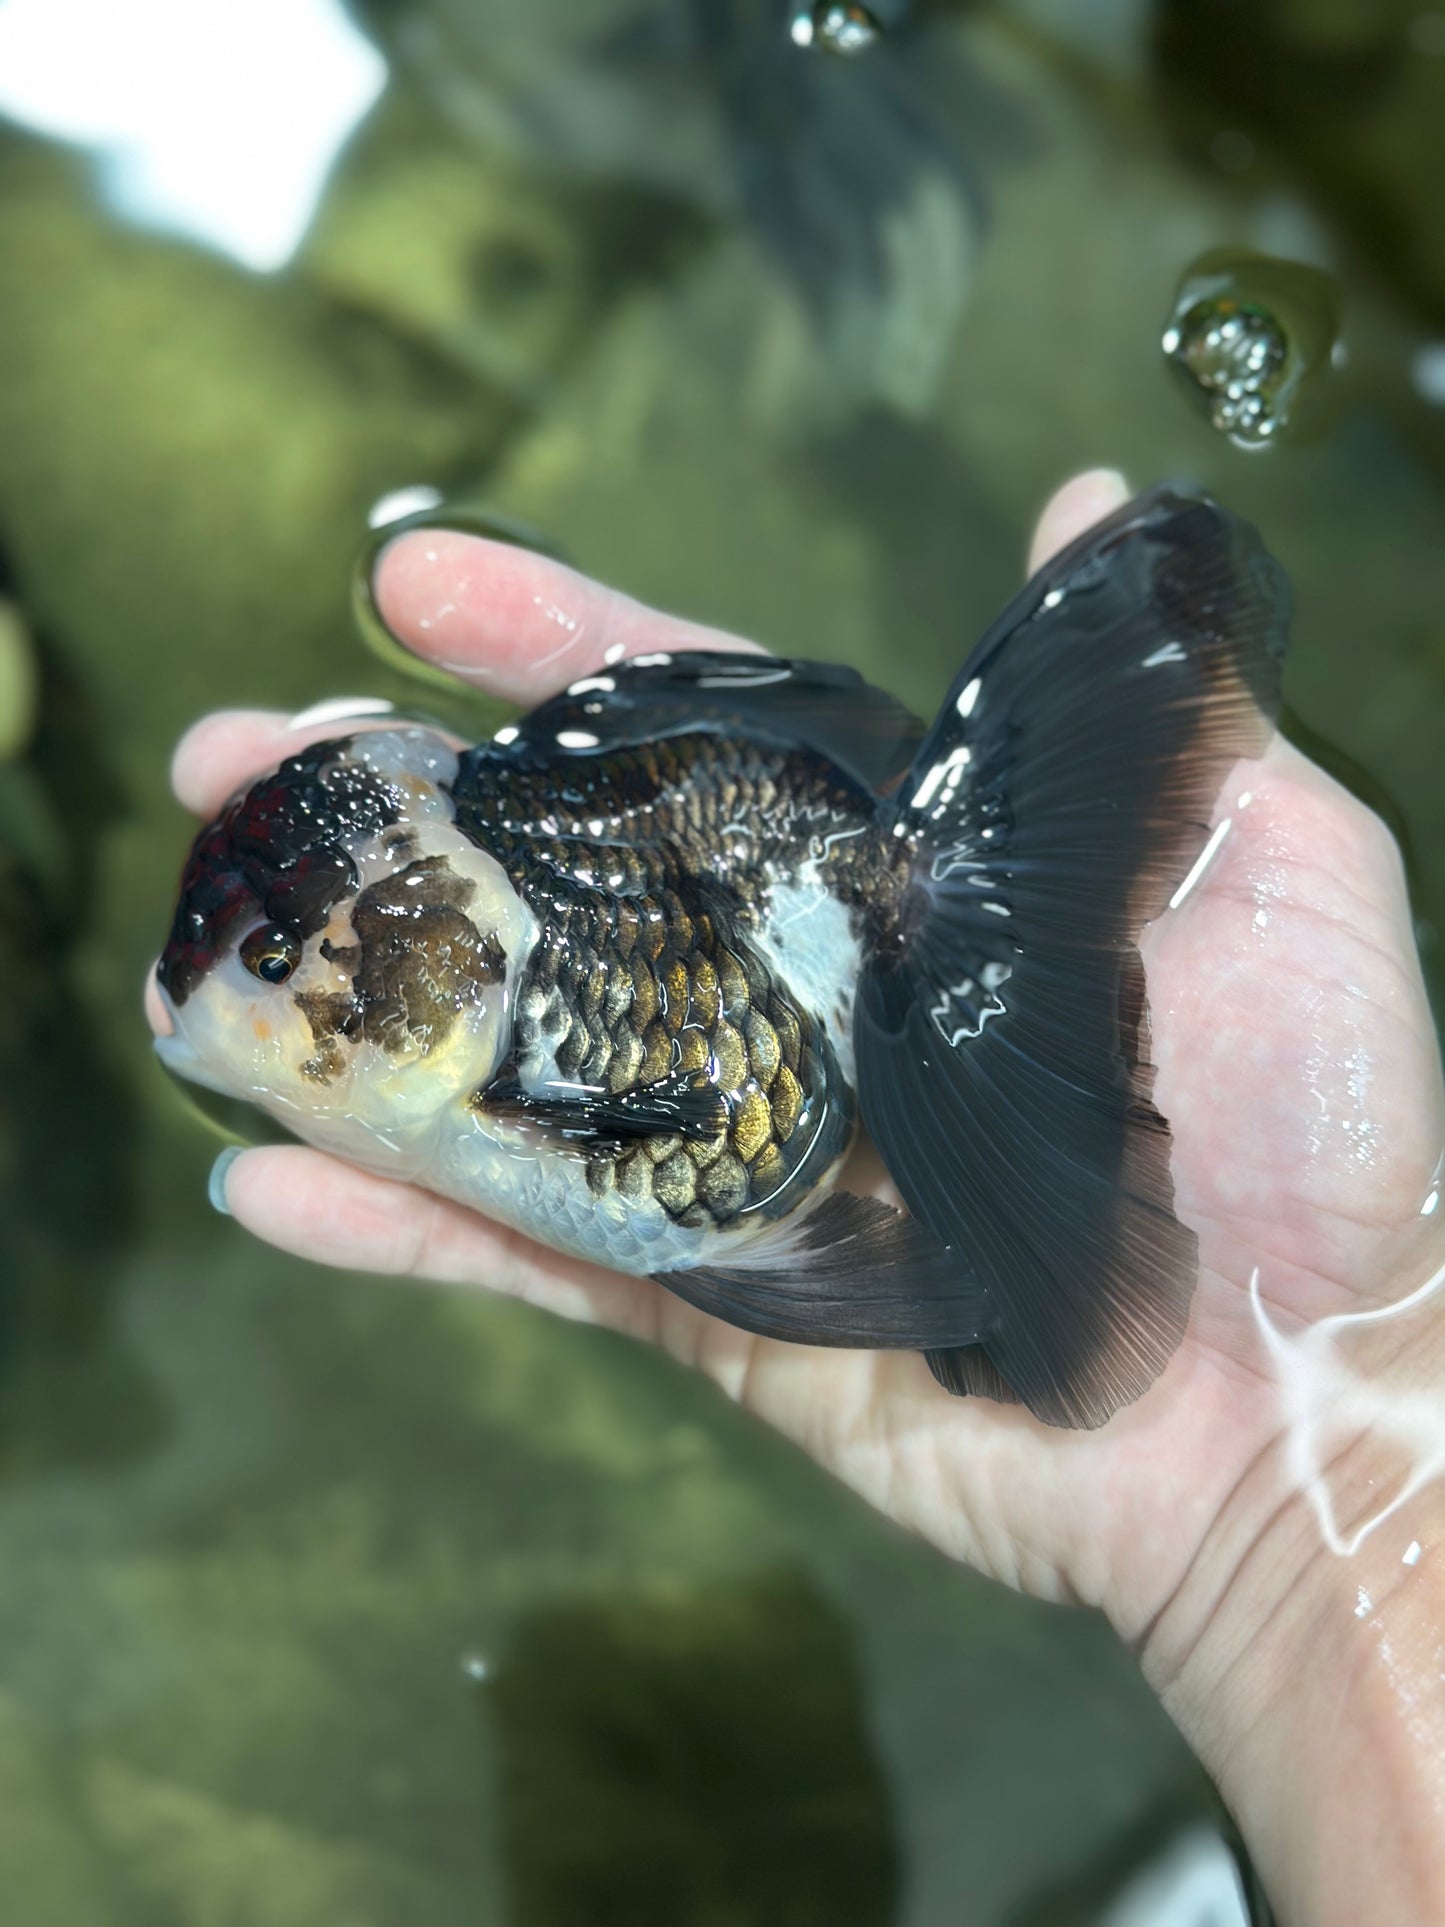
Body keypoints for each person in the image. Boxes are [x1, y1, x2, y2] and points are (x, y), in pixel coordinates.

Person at [148, 470, 1445, 1922]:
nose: (217, 1008)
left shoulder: (529, 1052)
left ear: (422, 971)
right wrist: (1322, 1484)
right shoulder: (457, 1005)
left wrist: (1309, 1464)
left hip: (786, 898)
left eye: (273, 969)